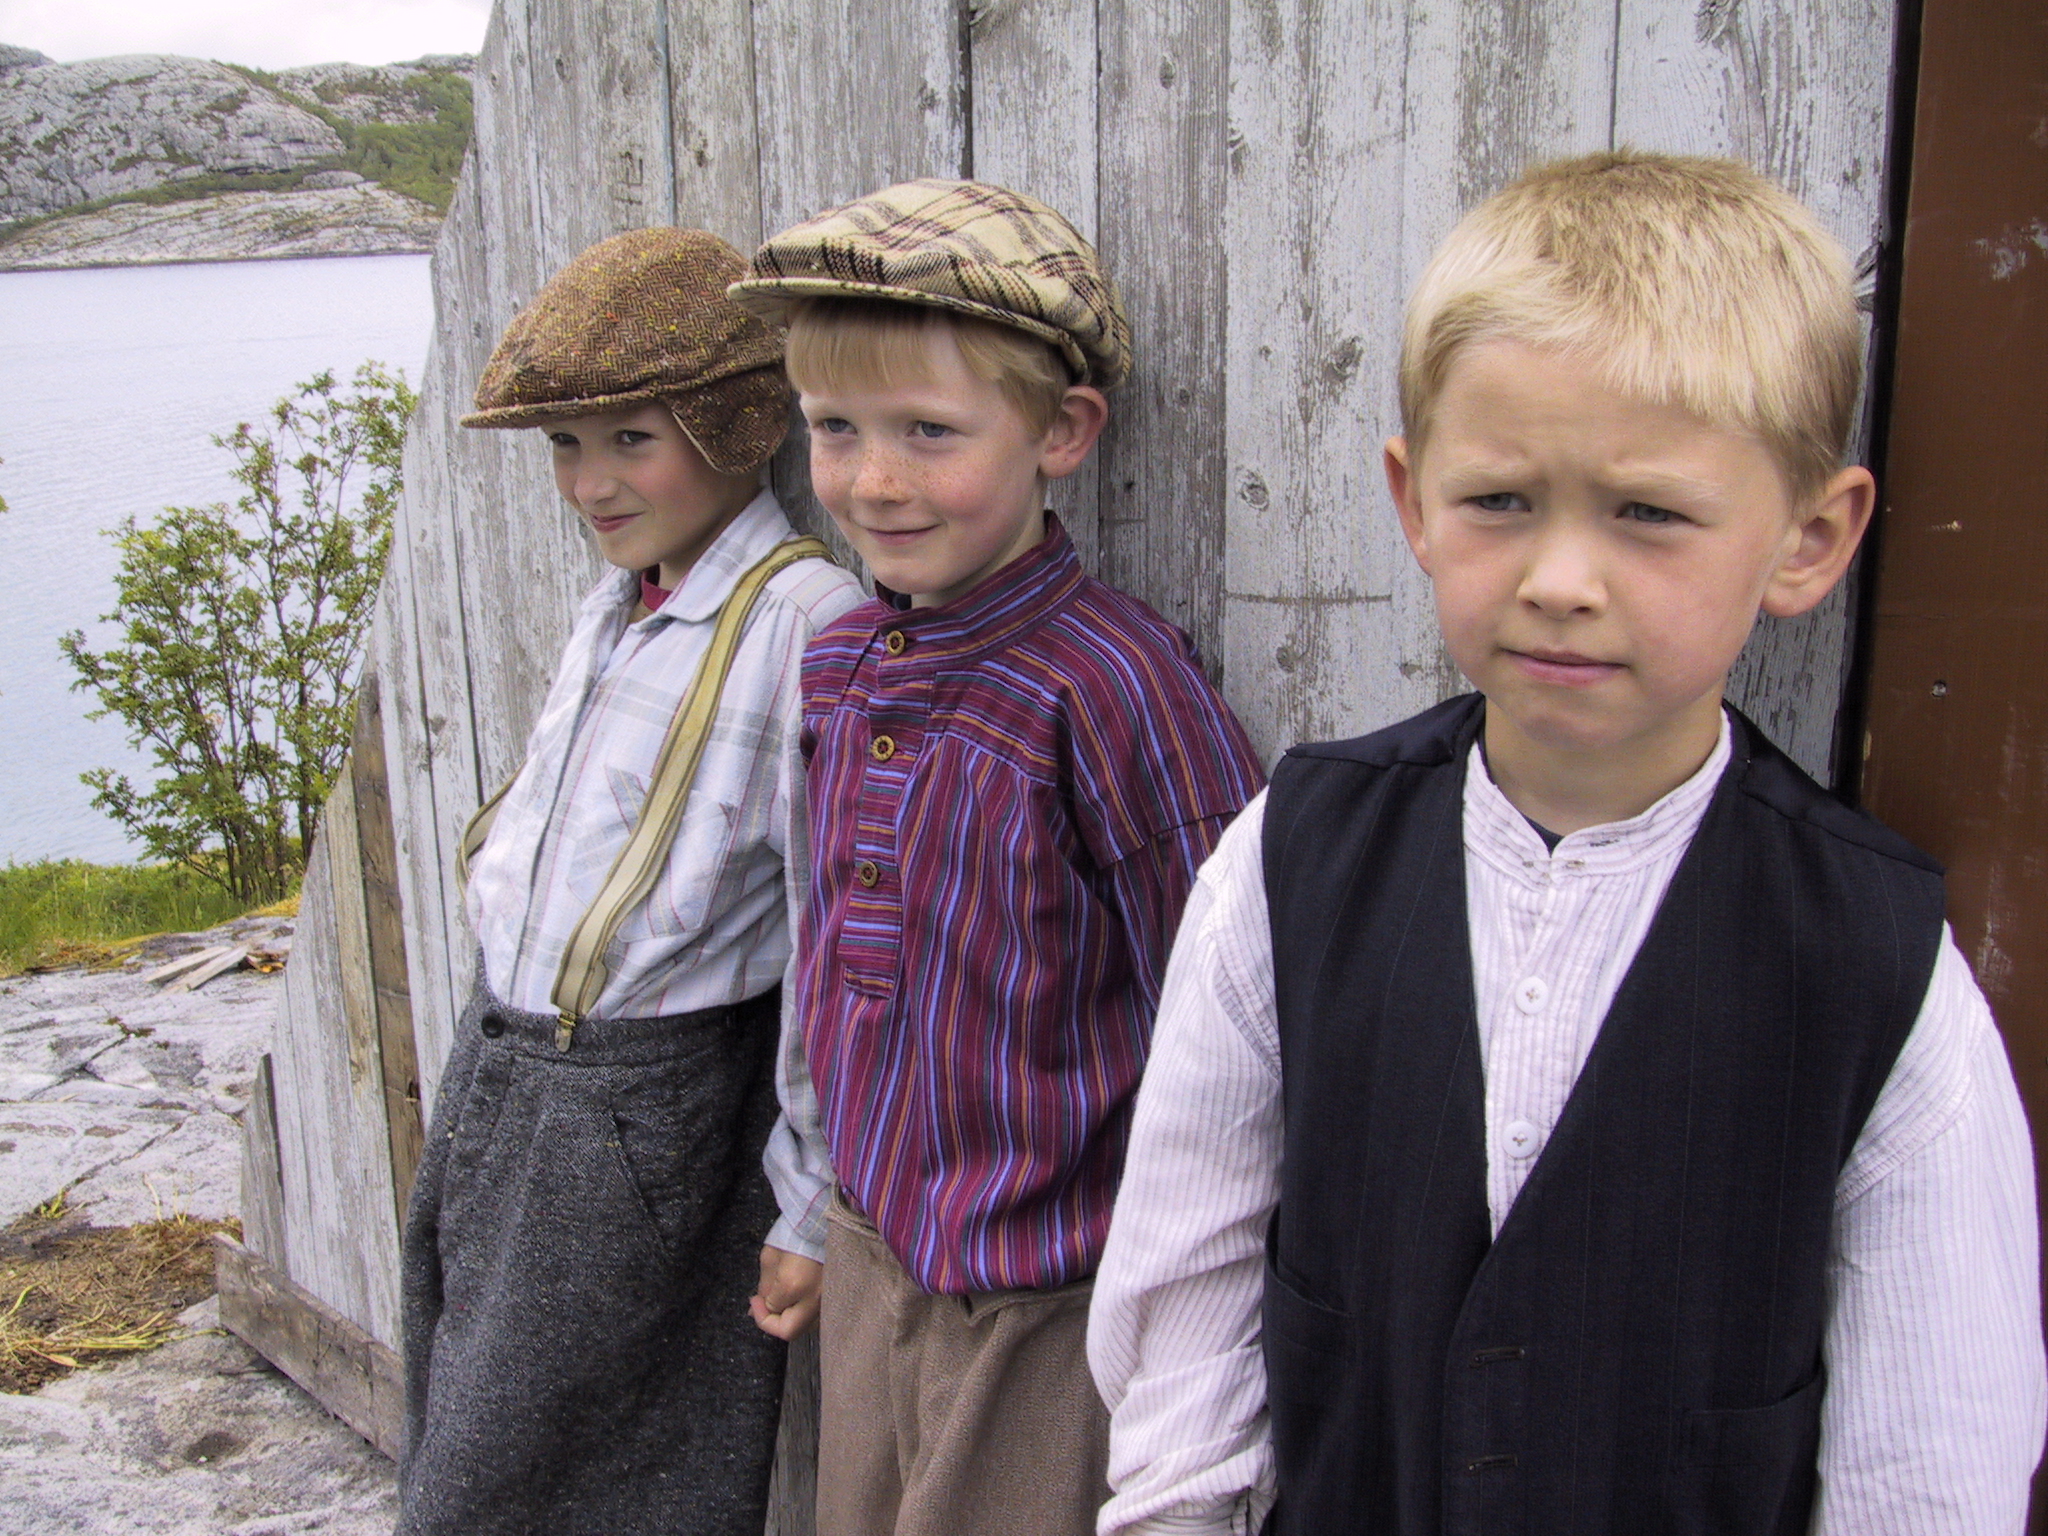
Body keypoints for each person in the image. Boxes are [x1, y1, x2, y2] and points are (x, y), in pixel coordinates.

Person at [1088, 150, 2047, 1536]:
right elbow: (1187, 1306)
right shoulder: (1288, 867)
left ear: (1809, 537)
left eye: (1649, 514)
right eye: (1501, 502)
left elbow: (1931, 1464)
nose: (1559, 581)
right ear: (1415, 500)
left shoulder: (1875, 967)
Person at [726, 178, 1267, 1536]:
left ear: (1061, 431)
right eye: (834, 430)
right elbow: (831, 966)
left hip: (1051, 1294)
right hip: (878, 1248)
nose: (872, 479)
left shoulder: (1111, 688)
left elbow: (1233, 1003)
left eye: (930, 431)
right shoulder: (842, 661)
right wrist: (814, 1213)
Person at [396, 226, 864, 1536]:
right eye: (565, 445)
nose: (591, 482)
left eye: (630, 440)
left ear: (733, 423)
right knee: (462, 1422)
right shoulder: (621, 606)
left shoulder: (801, 625)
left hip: (645, 1117)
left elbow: (836, 946)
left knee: (569, 1482)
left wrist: (815, 1201)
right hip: (510, 1079)